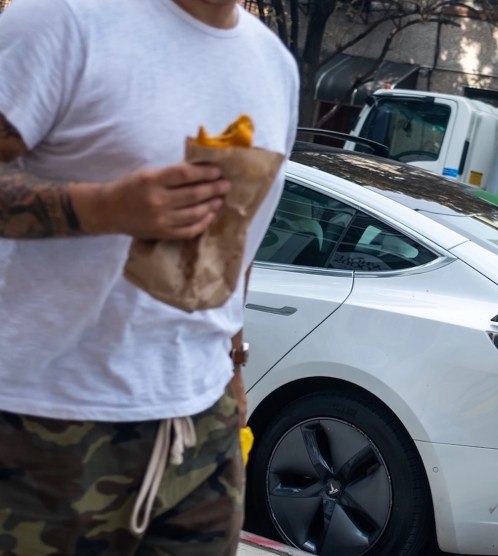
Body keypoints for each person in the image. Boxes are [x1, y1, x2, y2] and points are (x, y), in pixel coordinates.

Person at [0, 0, 299, 554]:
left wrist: (234, 363)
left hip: (199, 420)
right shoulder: (64, 20)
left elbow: (239, 234)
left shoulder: (274, 64)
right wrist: (102, 208)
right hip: (38, 417)